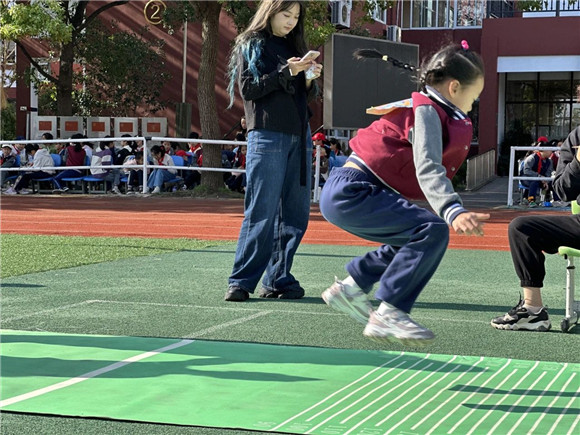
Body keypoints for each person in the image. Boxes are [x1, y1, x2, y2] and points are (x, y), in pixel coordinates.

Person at [318, 41, 489, 346]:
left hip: (348, 190)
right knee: (432, 229)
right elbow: (427, 165)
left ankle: (351, 287)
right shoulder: (428, 112)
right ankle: (390, 312)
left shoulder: (429, 108)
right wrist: (452, 209)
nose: (472, 105)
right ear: (454, 87)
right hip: (354, 190)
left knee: (411, 238)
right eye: (473, 97)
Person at [224, 0, 322, 302]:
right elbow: (249, 89)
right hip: (267, 134)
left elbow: (304, 95)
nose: (291, 21)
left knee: (295, 213)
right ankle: (241, 281)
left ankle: (278, 278)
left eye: (296, 16)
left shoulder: (294, 45)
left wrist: (308, 77)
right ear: (270, 12)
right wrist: (286, 70)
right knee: (262, 210)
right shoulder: (252, 43)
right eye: (286, 14)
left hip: (300, 134)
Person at [491, 125, 580, 332]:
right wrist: (578, 162)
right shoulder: (576, 137)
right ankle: (533, 311)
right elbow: (562, 191)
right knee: (521, 228)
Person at [520, 141, 554, 207]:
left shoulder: (549, 161)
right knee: (534, 182)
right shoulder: (532, 158)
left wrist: (546, 181)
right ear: (544, 150)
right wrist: (539, 176)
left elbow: (548, 173)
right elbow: (526, 171)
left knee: (553, 183)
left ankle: (557, 200)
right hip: (527, 178)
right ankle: (531, 200)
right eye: (550, 150)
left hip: (541, 179)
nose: (551, 152)